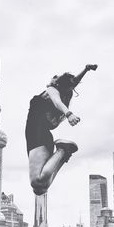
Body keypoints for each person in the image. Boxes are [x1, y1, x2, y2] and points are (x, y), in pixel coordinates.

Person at [26, 64, 98, 196]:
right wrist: (86, 70)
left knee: (37, 182)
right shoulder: (56, 92)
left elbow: (57, 101)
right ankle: (64, 153)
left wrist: (69, 114)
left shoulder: (52, 90)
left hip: (35, 131)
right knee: (40, 189)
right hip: (45, 136)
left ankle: (62, 150)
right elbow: (70, 87)